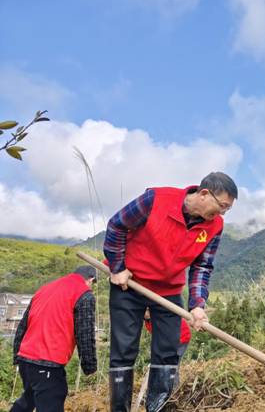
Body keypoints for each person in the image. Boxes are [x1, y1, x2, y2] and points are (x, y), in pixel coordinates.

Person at [104, 172, 237, 412]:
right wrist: (118, 267)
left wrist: (197, 304)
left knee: (168, 351)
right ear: (204, 194)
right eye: (222, 206)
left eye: (227, 210)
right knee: (123, 351)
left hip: (168, 290)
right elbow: (117, 225)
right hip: (130, 283)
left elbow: (202, 266)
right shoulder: (155, 200)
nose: (222, 214)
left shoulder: (215, 226)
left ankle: (158, 408)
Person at [11, 266, 97, 412]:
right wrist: (89, 367)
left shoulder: (45, 289)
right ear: (91, 279)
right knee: (51, 403)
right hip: (47, 363)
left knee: (28, 400)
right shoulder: (84, 293)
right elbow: (85, 332)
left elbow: (23, 325)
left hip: (25, 359)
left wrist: (16, 355)